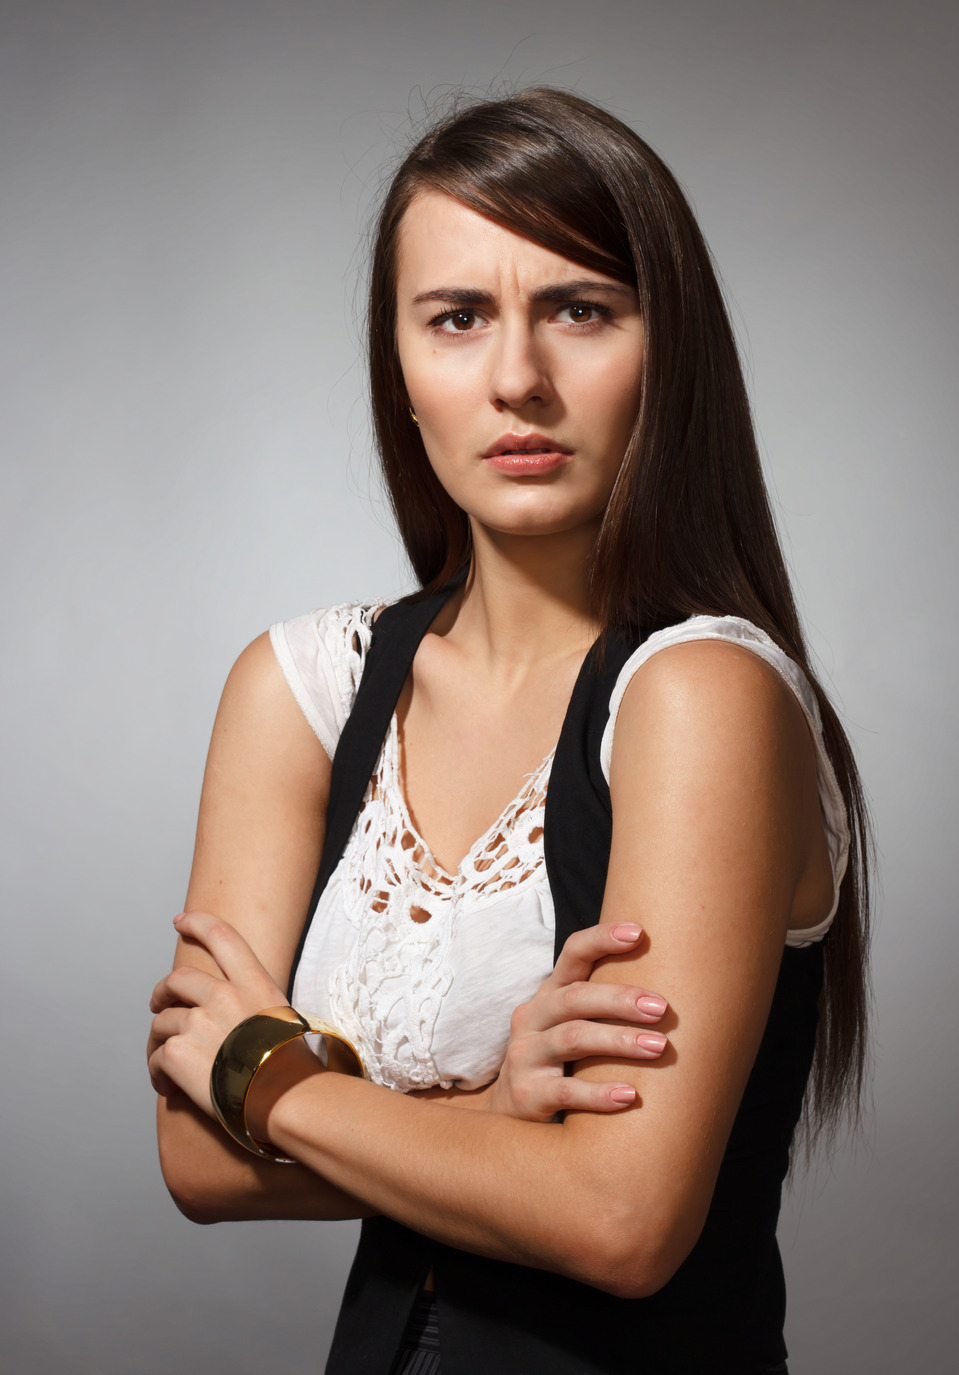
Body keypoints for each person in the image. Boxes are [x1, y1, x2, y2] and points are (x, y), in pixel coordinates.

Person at [147, 88, 870, 1374]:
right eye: (457, 317)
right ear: (401, 367)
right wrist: (488, 1112)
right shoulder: (300, 687)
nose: (516, 378)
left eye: (579, 309)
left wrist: (273, 1077)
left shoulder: (703, 692)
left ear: (668, 348)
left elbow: (620, 1216)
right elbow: (194, 1157)